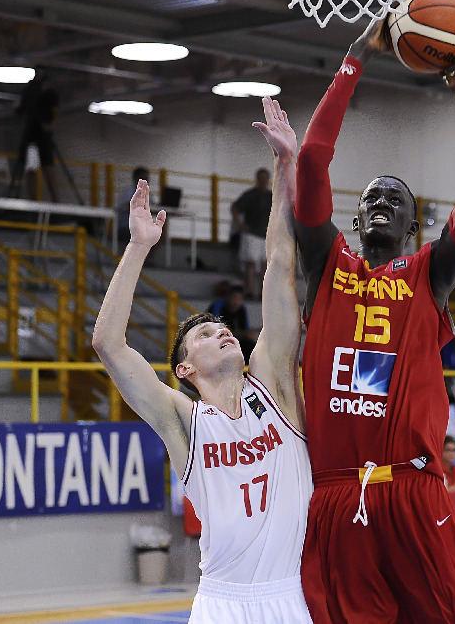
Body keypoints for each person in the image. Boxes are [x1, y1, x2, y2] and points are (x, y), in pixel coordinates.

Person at [294, 13, 455, 623]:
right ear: (354, 222)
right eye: (370, 198)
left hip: (411, 490)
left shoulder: (429, 276)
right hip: (335, 495)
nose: (380, 203)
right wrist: (357, 56)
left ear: (413, 226)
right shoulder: (328, 263)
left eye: (395, 201)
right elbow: (310, 160)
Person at [92, 99, 313, 623]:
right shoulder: (184, 421)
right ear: (185, 370)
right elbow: (108, 343)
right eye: (206, 335)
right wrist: (139, 247)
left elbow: (280, 264)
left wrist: (288, 169)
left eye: (224, 328)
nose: (223, 333)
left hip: (290, 597)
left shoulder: (276, 386)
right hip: (223, 604)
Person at [12, 65, 60, 202]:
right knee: (30, 167)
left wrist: (50, 126)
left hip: (43, 134)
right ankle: (32, 199)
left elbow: (55, 112)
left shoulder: (51, 94)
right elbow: (22, 109)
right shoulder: (29, 91)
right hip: (30, 133)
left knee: (47, 166)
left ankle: (55, 200)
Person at [232, 167, 273, 299]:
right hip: (252, 234)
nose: (263, 181)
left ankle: (262, 292)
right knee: (251, 263)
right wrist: (240, 224)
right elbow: (235, 208)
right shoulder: (250, 195)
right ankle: (250, 290)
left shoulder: (271, 196)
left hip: (266, 235)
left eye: (265, 179)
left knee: (264, 265)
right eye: (261, 179)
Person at [208, 285, 255, 364]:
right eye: (234, 298)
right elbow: (215, 329)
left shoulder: (242, 309)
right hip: (214, 339)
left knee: (250, 346)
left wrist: (246, 334)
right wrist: (240, 333)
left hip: (231, 338)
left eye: (239, 299)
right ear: (228, 297)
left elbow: (246, 330)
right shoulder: (218, 306)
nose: (236, 302)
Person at [117, 167, 150, 242]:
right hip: (126, 227)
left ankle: (148, 254)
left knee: (160, 232)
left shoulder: (147, 193)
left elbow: (152, 206)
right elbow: (125, 206)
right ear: (136, 179)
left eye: (147, 180)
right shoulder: (128, 192)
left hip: (140, 227)